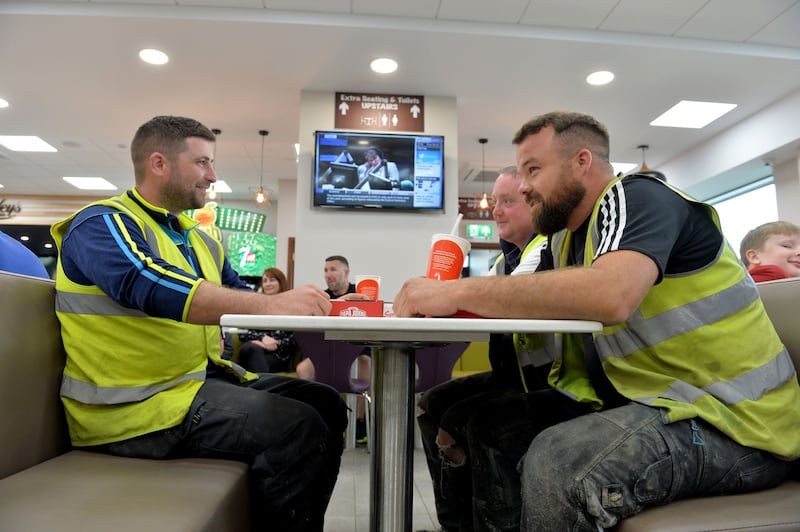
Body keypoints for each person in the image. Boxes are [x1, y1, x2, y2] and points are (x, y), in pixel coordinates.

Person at [394, 111, 800, 531]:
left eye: (534, 170)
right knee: (488, 423)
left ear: (582, 162)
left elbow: (611, 295)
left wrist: (455, 291)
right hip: (660, 401)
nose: (525, 185)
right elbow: (524, 295)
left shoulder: (639, 197)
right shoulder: (567, 237)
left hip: (736, 424)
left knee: (558, 458)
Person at [50, 115, 347, 532]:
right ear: (159, 164)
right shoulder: (100, 223)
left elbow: (247, 301)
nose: (213, 175)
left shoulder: (198, 238)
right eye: (202, 162)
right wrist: (273, 303)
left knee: (326, 402)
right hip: (131, 411)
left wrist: (333, 305)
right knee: (296, 428)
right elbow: (146, 283)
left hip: (192, 387)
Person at [416, 166, 548, 532]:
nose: (496, 211)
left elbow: (501, 300)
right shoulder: (501, 261)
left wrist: (441, 294)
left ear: (535, 204)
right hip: (511, 375)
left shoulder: (544, 250)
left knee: (479, 423)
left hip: (545, 380)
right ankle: (455, 524)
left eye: (508, 201)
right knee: (432, 404)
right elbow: (472, 301)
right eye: (496, 202)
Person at [323, 254, 371, 442]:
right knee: (303, 369)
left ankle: (359, 425)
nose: (328, 275)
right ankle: (319, 421)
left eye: (333, 269)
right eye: (326, 270)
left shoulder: (360, 294)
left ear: (346, 272)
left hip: (358, 347)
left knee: (365, 363)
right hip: (330, 348)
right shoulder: (323, 296)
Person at [236, 267, 316, 380]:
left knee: (253, 353)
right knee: (250, 349)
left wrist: (275, 344)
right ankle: (263, 386)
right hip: (255, 351)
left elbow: (295, 338)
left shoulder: (292, 308)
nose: (268, 284)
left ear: (281, 282)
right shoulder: (256, 307)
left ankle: (261, 387)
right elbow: (243, 333)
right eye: (265, 281)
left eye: (272, 280)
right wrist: (263, 339)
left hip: (278, 356)